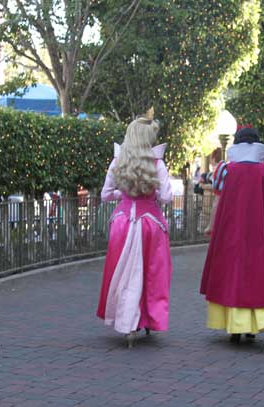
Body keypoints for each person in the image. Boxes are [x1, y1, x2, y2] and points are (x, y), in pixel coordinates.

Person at [200, 126, 264, 343]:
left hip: (231, 229)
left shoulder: (224, 169)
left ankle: (235, 327)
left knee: (232, 274)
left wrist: (211, 225)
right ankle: (253, 327)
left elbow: (217, 201)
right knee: (260, 274)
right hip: (261, 228)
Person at [96, 116, 173, 348]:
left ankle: (127, 323)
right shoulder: (157, 163)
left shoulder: (118, 161)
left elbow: (105, 194)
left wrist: (126, 195)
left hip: (122, 222)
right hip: (150, 223)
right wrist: (151, 194)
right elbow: (168, 197)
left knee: (124, 274)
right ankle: (145, 317)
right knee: (150, 274)